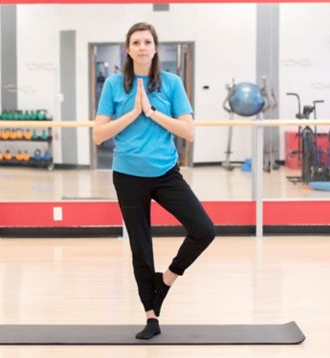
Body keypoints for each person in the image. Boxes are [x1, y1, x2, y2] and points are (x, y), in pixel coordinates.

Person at [93, 22, 215, 340]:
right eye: (136, 42)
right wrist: (132, 113)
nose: (142, 47)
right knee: (141, 248)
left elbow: (189, 132)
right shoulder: (114, 85)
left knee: (204, 230)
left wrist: (151, 113)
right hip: (128, 175)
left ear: (155, 47)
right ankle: (151, 315)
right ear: (128, 49)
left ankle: (166, 281)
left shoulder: (171, 84)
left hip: (166, 174)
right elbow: (98, 135)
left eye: (148, 42)